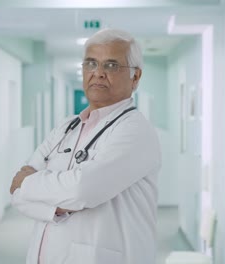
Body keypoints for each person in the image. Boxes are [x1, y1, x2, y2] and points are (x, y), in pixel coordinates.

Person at [10, 28, 162, 264]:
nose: (98, 73)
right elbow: (18, 196)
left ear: (135, 77)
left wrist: (29, 183)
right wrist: (57, 208)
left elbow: (83, 189)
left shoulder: (135, 130)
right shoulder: (66, 127)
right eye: (91, 63)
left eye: (111, 65)